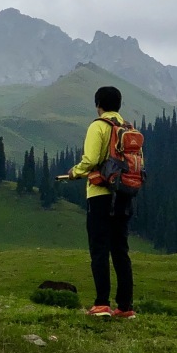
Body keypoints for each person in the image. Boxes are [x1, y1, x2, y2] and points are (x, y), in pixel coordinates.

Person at [65, 86, 135, 318]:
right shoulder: (128, 129)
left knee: (99, 249)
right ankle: (125, 307)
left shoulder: (99, 126)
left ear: (98, 105)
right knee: (120, 250)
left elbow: (92, 159)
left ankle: (102, 304)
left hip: (100, 195)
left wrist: (76, 171)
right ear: (119, 105)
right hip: (124, 193)